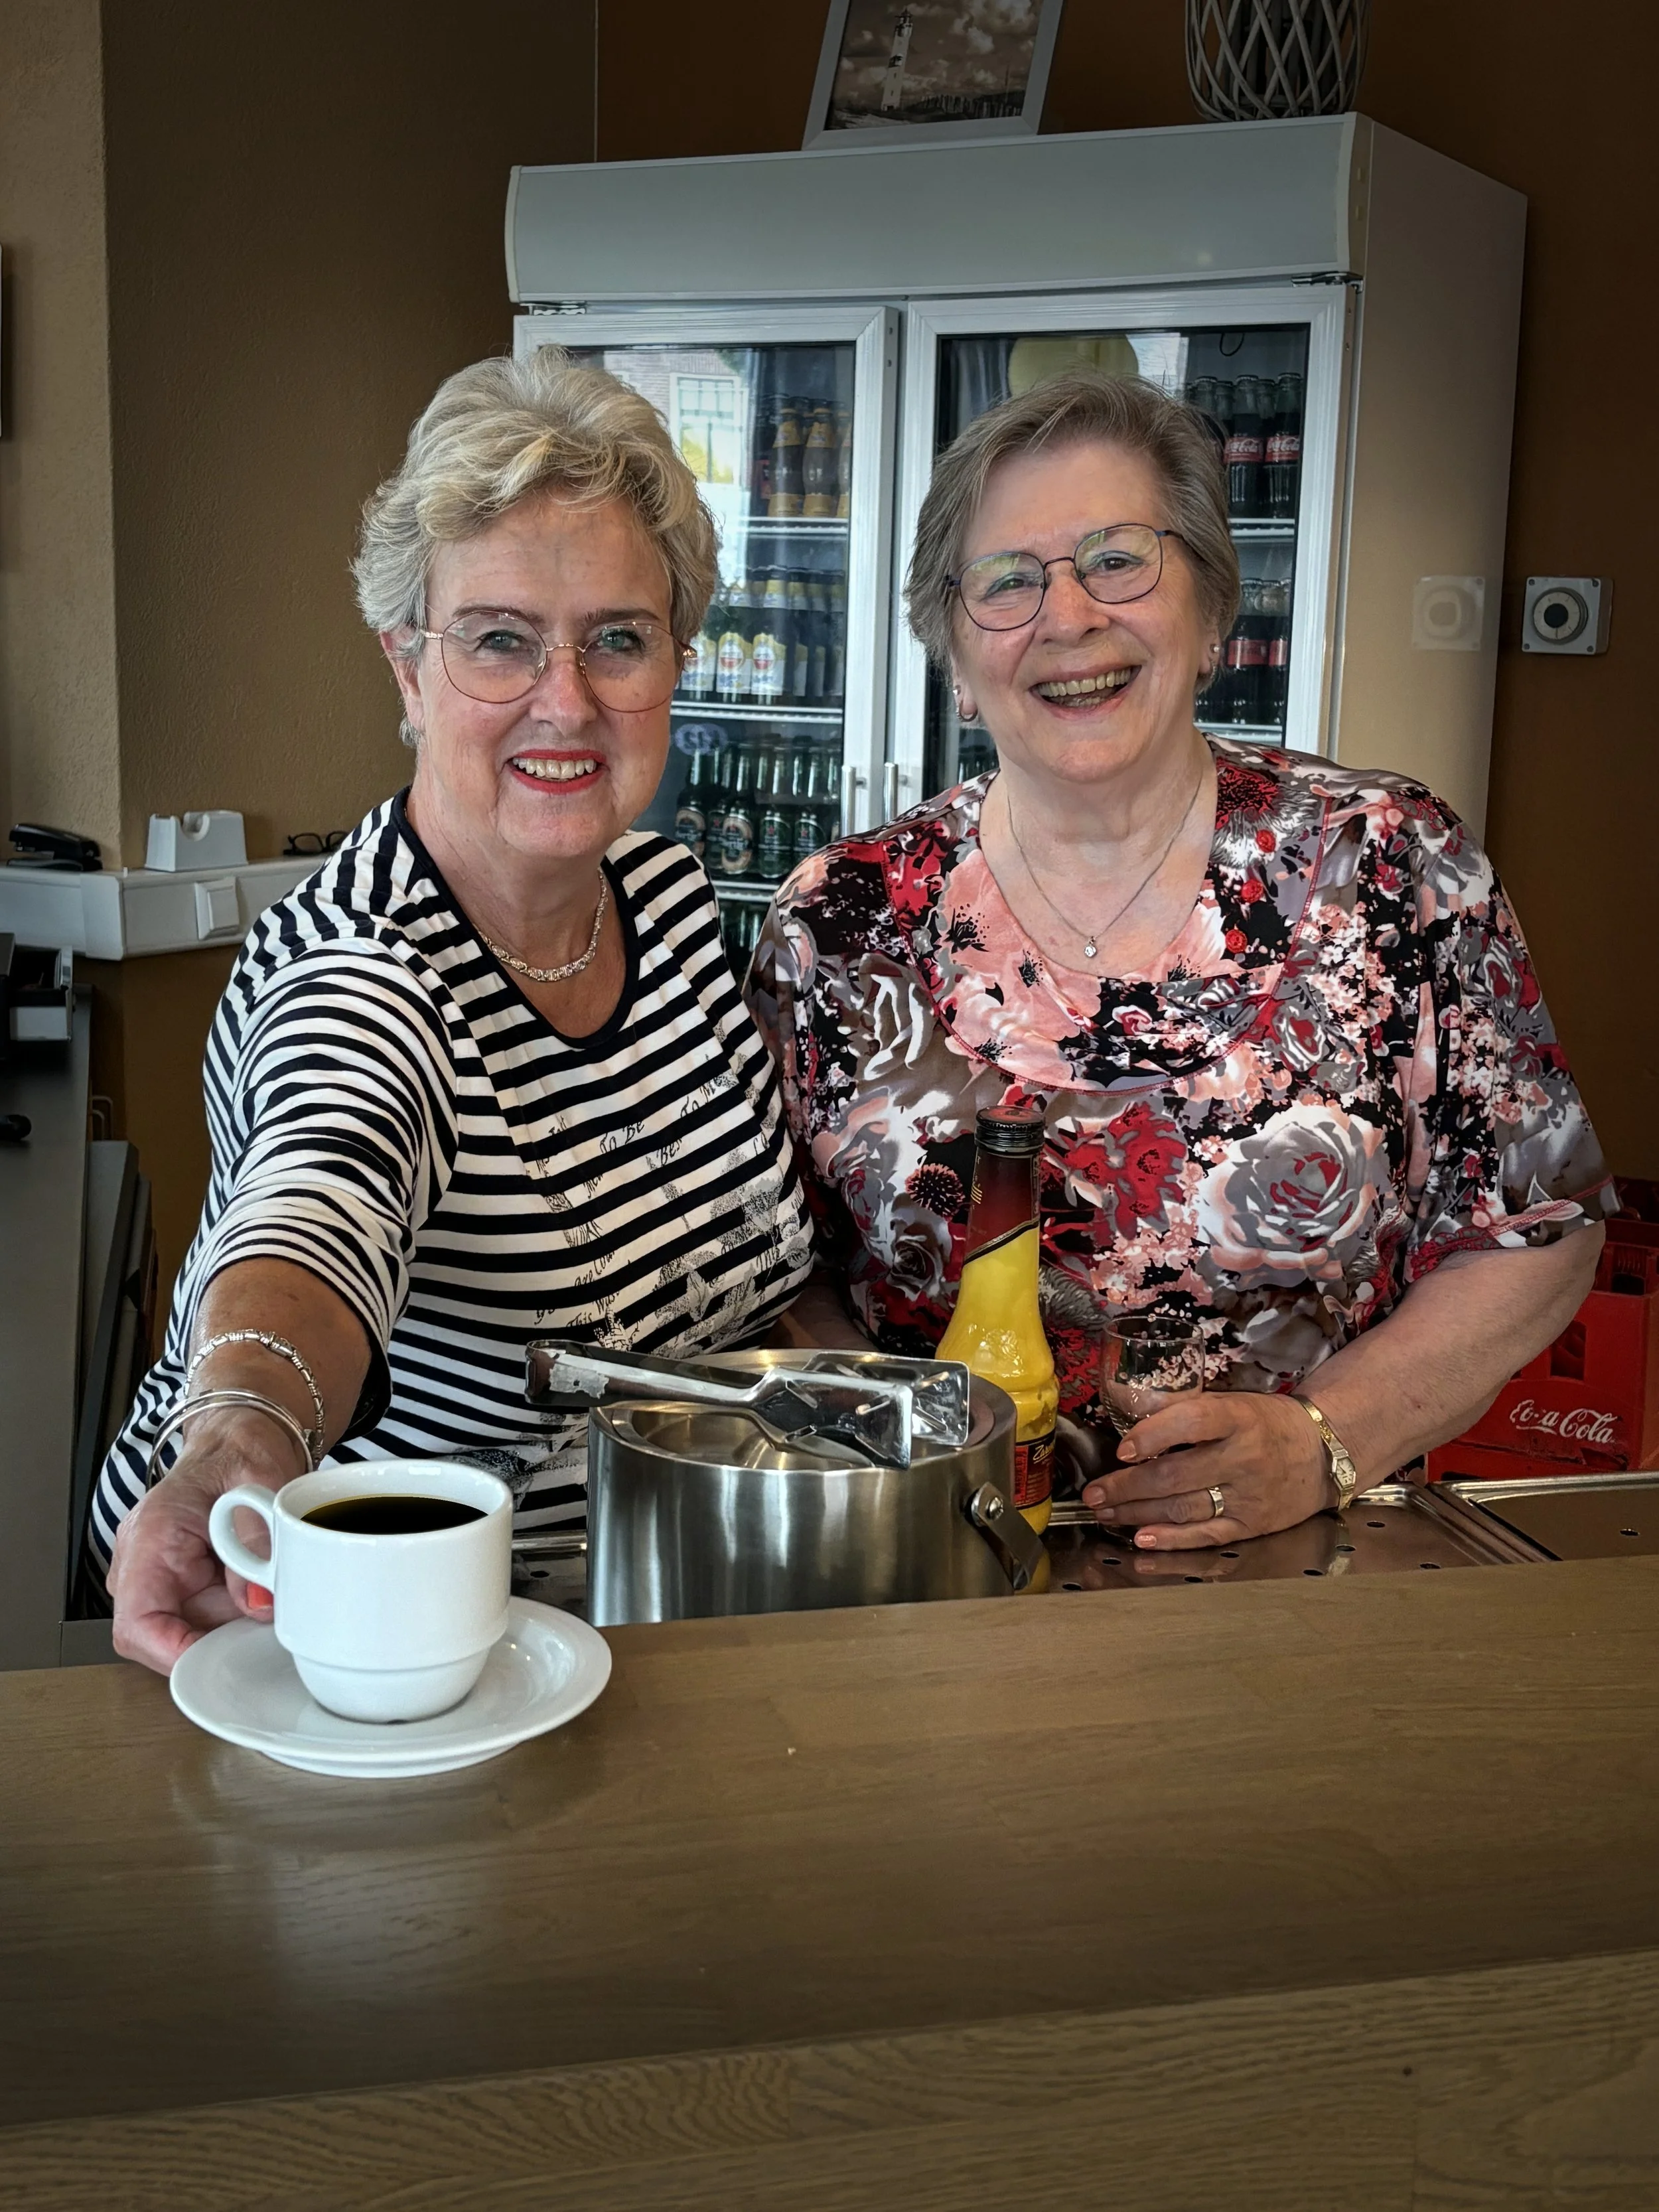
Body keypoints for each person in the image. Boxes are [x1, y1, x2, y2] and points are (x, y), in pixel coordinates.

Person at [751, 369, 1611, 1551]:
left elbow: (1540, 1226)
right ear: (953, 652)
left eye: (1118, 560)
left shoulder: (1389, 862)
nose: (1068, 618)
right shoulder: (839, 918)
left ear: (1212, 612)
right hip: (929, 1563)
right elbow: (776, 1268)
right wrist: (885, 1440)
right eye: (1007, 581)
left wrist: (1327, 1439)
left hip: (1298, 1567)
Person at [98, 348, 813, 1671]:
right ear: (406, 669)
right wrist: (243, 1431)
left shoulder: (664, 897)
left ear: (675, 659)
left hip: (637, 1626)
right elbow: (319, 1194)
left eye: (617, 638)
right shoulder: (358, 967)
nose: (566, 700)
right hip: (345, 1638)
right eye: (499, 640)